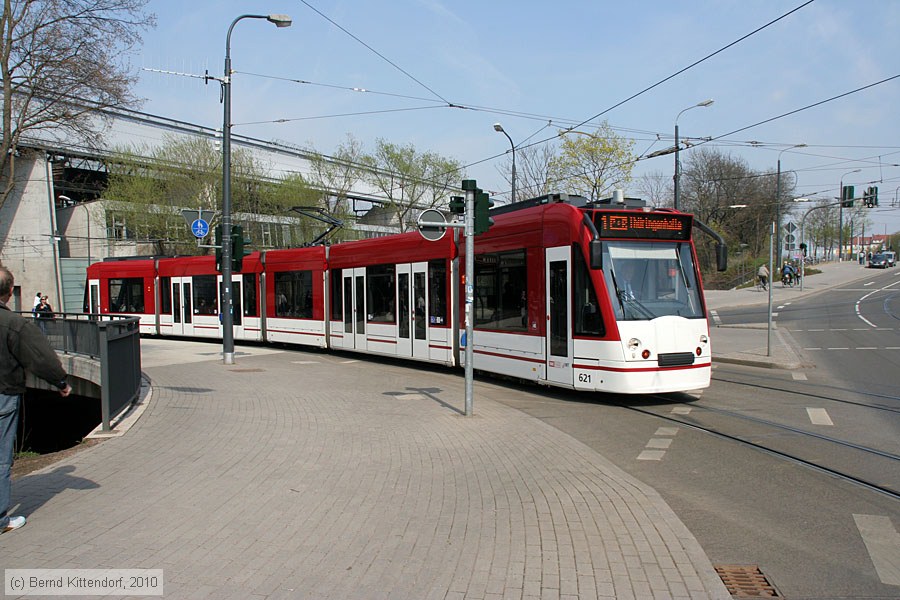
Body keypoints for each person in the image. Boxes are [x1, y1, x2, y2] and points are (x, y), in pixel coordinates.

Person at [0, 268, 71, 534]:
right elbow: (39, 358)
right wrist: (60, 382)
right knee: (1, 458)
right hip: (3, 395)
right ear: (10, 292)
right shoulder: (13, 323)